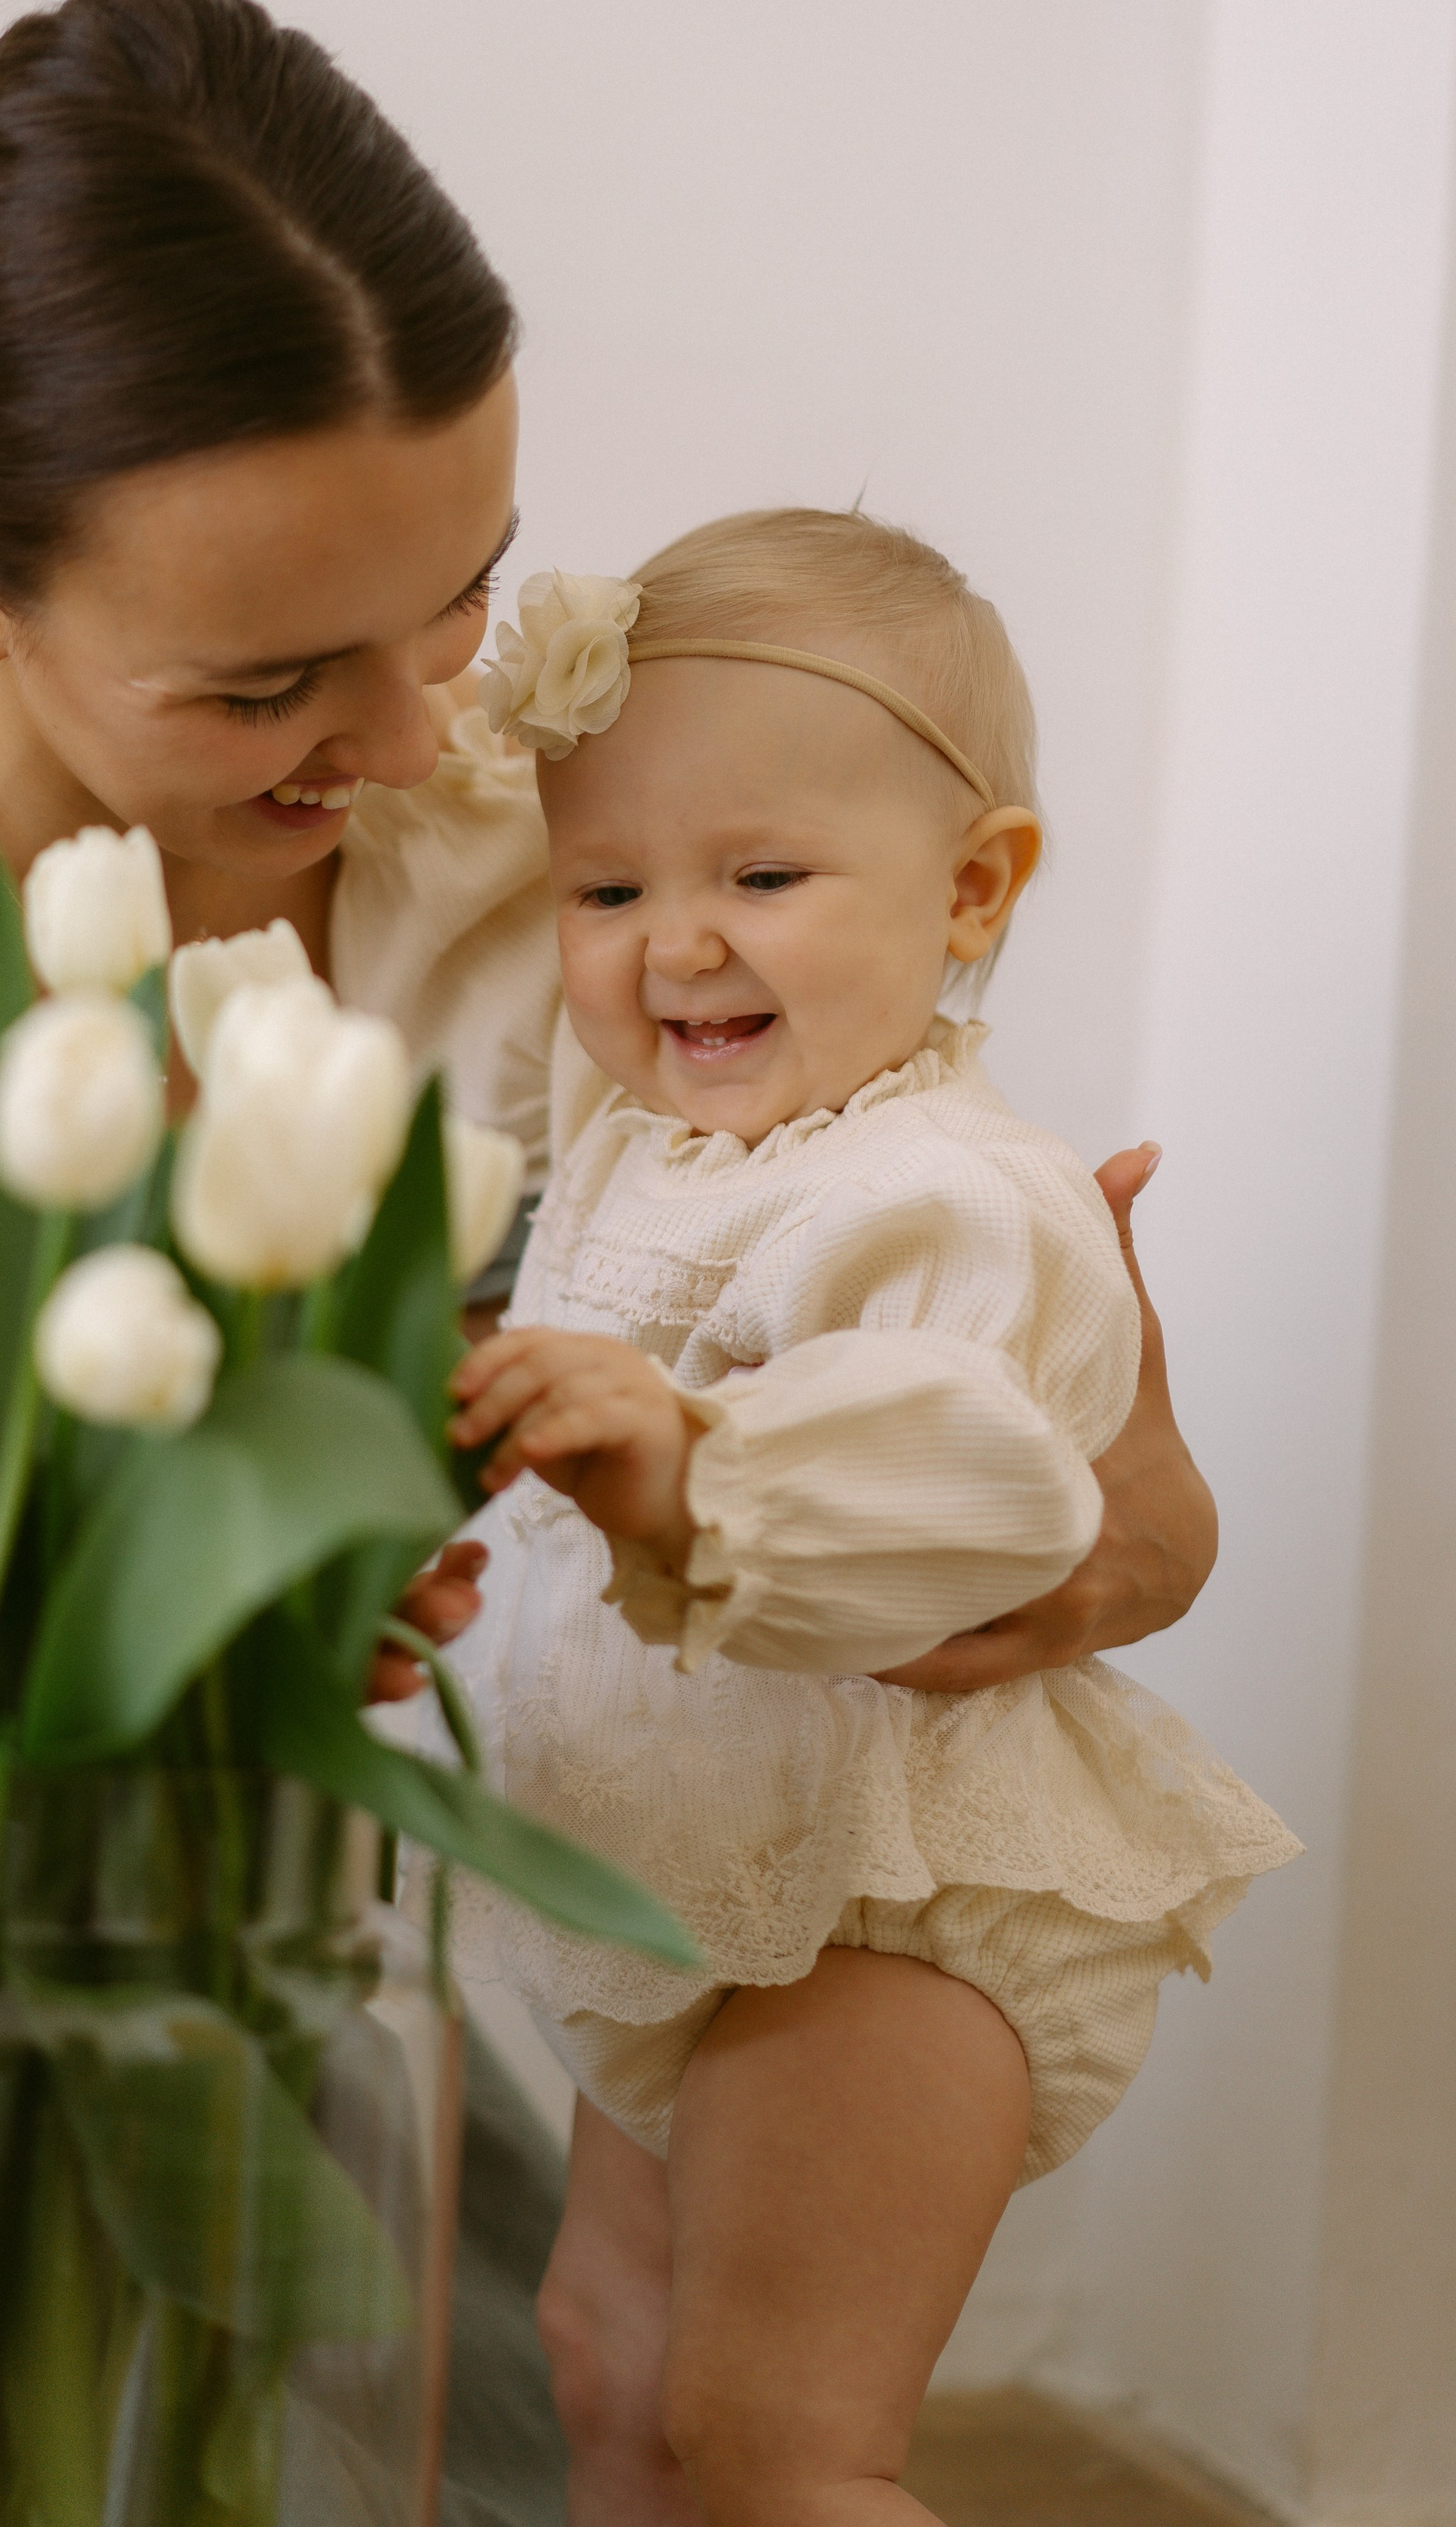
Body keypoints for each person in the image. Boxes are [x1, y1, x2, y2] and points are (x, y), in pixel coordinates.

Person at [0, 0, 1220, 2525]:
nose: (429, 743)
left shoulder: (566, 825)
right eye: (264, 685)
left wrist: (1048, 1485)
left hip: (343, 1983)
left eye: (464, 594)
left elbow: (1097, 1509)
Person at [428, 511, 1301, 2526]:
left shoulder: (951, 1191)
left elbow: (960, 1484)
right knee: (609, 2365)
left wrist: (682, 1466)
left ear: (974, 888)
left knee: (776, 2432)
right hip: (701, 1870)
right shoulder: (635, 1145)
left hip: (893, 1903)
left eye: (764, 875)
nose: (677, 939)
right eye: (608, 883)